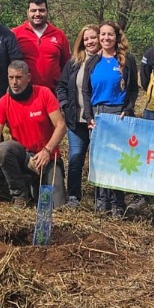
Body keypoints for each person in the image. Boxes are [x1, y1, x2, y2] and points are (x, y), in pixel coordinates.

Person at [0, 61, 68, 208]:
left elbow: (61, 126)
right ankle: (20, 195)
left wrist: (47, 150)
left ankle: (35, 183)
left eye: (18, 77)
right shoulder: (3, 102)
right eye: (10, 77)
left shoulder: (44, 93)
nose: (14, 82)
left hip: (47, 157)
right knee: (3, 148)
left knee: (55, 206)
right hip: (24, 157)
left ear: (28, 77)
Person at [81, 21, 138, 217]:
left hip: (117, 114)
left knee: (116, 159)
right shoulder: (92, 61)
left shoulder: (126, 60)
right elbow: (86, 91)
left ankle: (118, 204)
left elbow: (132, 89)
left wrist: (128, 109)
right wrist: (88, 115)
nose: (106, 38)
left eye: (110, 35)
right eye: (102, 35)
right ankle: (101, 202)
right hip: (98, 114)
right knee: (99, 159)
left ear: (116, 37)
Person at [55, 24, 100, 208]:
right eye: (86, 38)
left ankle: (100, 199)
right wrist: (65, 104)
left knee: (98, 160)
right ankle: (74, 196)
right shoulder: (74, 62)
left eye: (93, 37)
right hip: (75, 120)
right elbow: (61, 86)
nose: (90, 41)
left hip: (97, 121)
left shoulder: (105, 60)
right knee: (75, 159)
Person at [12, 0, 71, 92]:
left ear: (47, 11)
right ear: (27, 12)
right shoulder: (15, 34)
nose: (37, 14)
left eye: (41, 10)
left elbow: (67, 66)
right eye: (33, 10)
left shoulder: (59, 35)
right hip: (24, 94)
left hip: (54, 94)